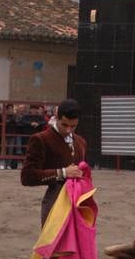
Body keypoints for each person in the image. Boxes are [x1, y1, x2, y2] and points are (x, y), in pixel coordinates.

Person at [21, 97, 87, 226]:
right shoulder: (41, 139)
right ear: (57, 117)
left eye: (73, 126)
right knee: (54, 245)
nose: (68, 130)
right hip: (55, 203)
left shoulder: (81, 142)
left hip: (78, 203)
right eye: (65, 125)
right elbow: (27, 176)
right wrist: (62, 173)